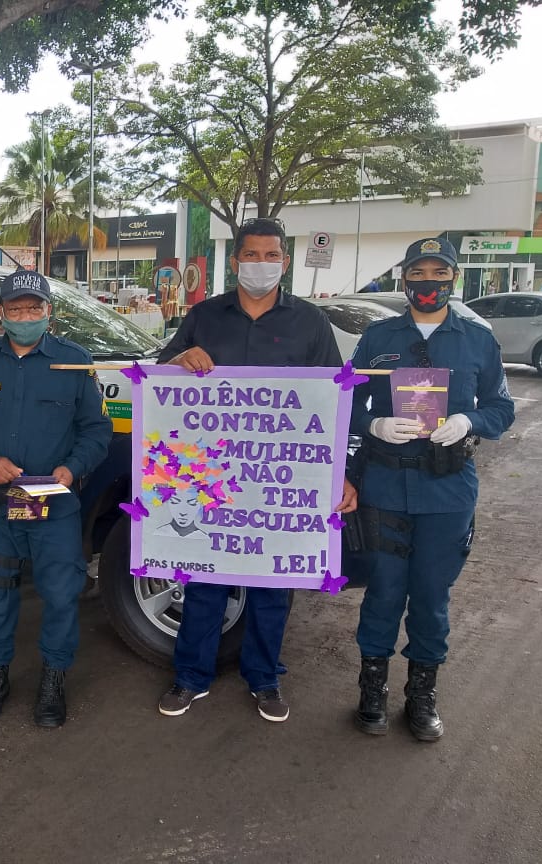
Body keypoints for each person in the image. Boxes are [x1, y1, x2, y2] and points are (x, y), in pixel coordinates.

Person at [154, 217, 358, 722]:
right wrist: (180, 357)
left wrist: (340, 473)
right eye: (251, 255)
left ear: (284, 263)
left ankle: (264, 680)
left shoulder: (309, 323)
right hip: (211, 476)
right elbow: (160, 377)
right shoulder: (203, 316)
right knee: (204, 580)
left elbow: (330, 400)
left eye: (271, 256)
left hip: (278, 480)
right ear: (235, 260)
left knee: (272, 586)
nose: (260, 264)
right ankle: (190, 678)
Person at [347, 237, 514, 742]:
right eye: (419, 273)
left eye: (439, 274)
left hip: (447, 490)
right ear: (405, 279)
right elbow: (346, 400)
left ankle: (422, 696)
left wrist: (469, 420)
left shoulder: (478, 340)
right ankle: (371, 690)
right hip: (385, 486)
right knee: (383, 592)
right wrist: (373, 426)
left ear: (454, 279)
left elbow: (501, 409)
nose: (429, 283)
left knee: (431, 595)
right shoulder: (377, 337)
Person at [0, 270, 112, 728]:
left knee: (60, 596)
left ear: (48, 313)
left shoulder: (75, 363)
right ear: (1, 314)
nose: (24, 317)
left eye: (33, 309)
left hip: (55, 507)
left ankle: (53, 679)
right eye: (15, 309)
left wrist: (72, 468)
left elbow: (97, 431)